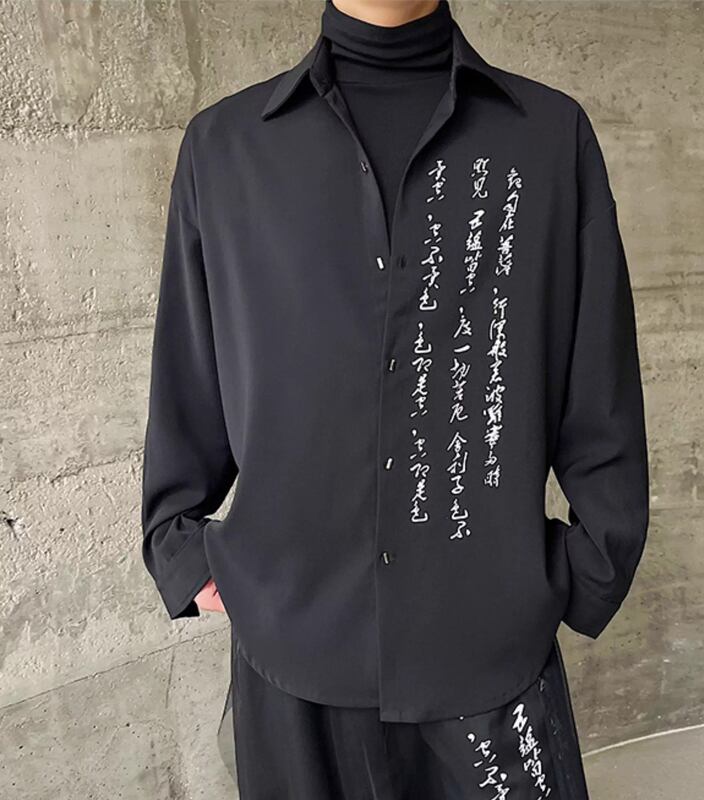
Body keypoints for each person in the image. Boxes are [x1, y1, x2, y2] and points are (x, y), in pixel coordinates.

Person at [140, 1, 650, 797]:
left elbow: (599, 379)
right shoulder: (225, 147)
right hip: (292, 662)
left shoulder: (548, 138)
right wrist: (181, 550)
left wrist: (588, 567)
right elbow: (189, 376)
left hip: (487, 654)